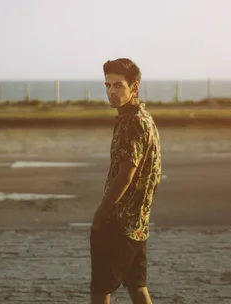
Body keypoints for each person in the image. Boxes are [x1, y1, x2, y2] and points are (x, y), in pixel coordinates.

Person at [90, 58, 162, 304]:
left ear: (135, 87)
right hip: (138, 225)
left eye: (118, 85)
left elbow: (125, 175)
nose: (111, 92)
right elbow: (155, 174)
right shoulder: (144, 118)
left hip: (118, 224)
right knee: (137, 287)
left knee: (101, 291)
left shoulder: (133, 122)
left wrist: (101, 214)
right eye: (108, 85)